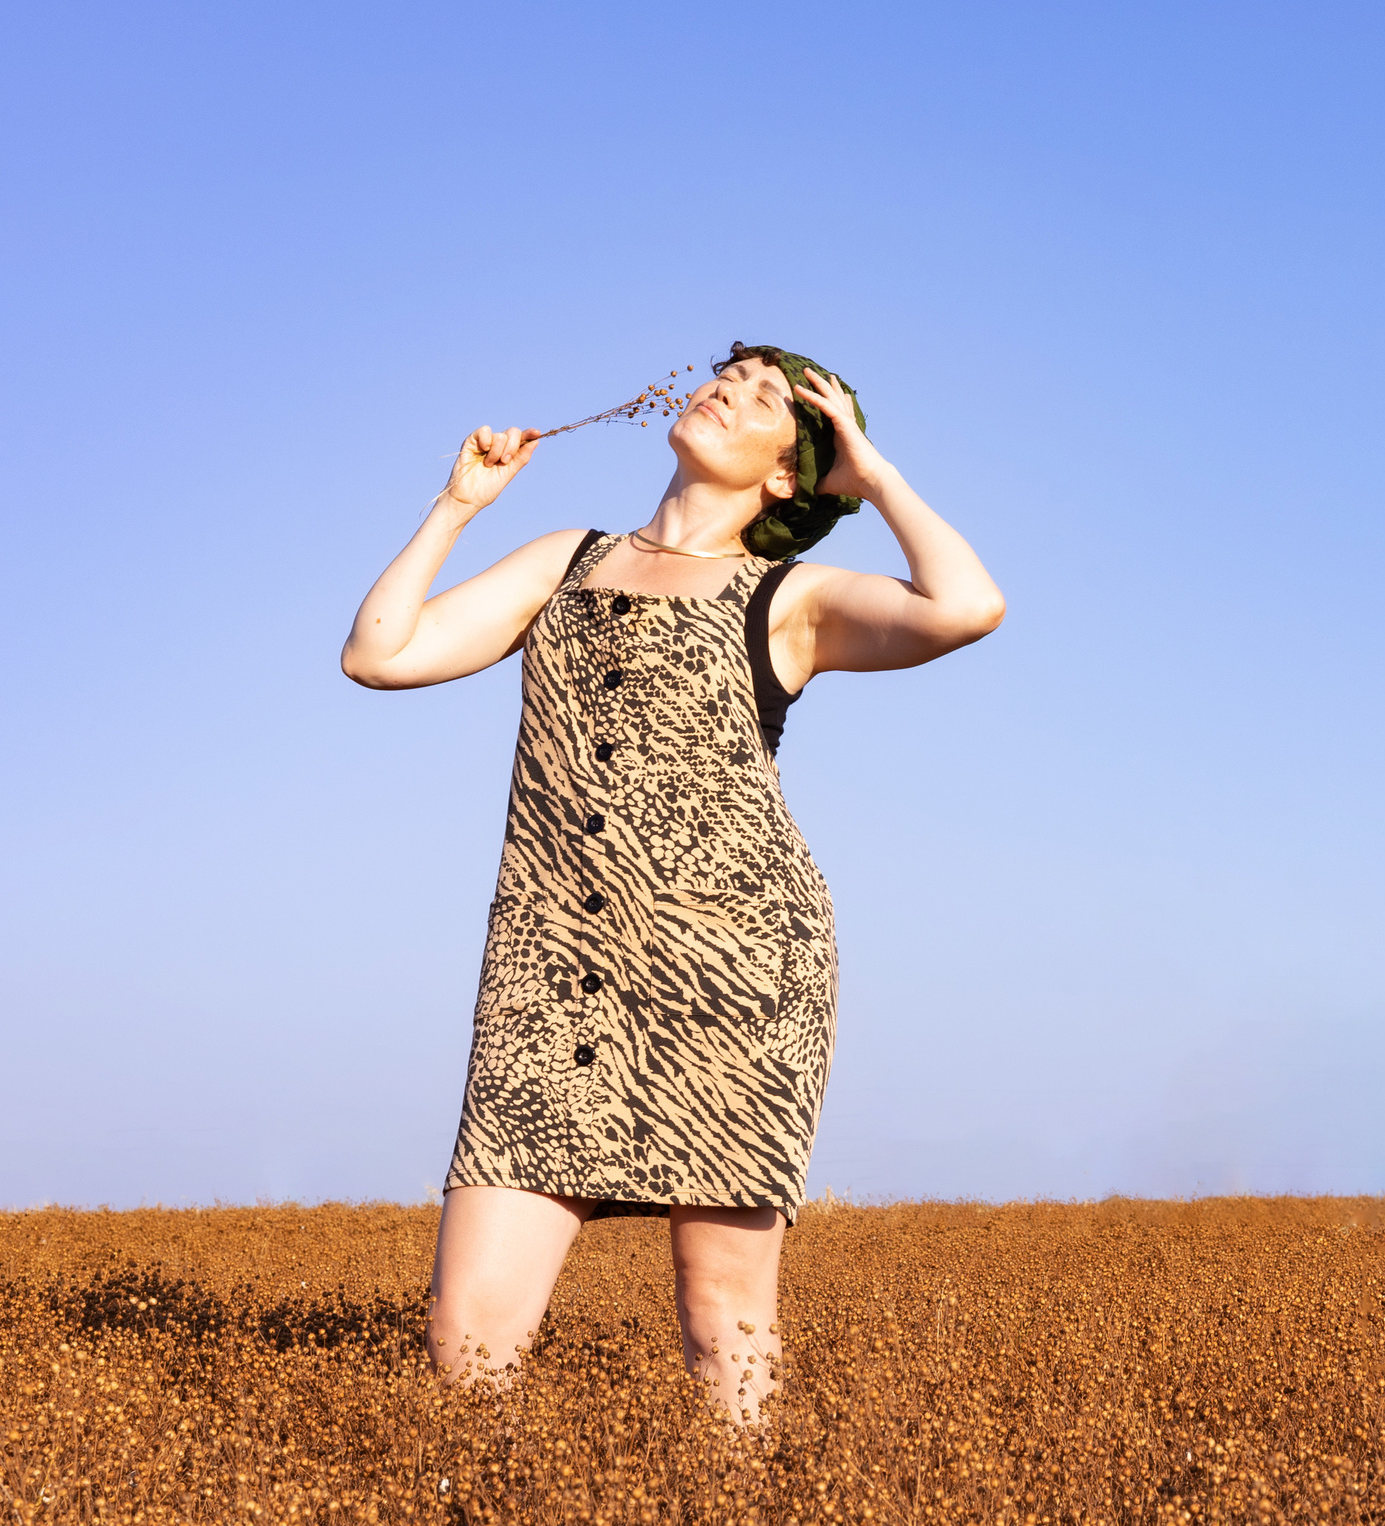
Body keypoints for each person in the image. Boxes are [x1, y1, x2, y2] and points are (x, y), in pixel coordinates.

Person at [340, 343, 1003, 1422]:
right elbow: (379, 655)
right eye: (725, 374)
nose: (723, 390)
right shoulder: (565, 559)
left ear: (787, 475)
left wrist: (872, 475)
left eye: (759, 399)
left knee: (722, 1316)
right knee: (466, 1338)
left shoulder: (789, 599)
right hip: (551, 973)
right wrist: (456, 507)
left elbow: (967, 606)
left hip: (733, 974)